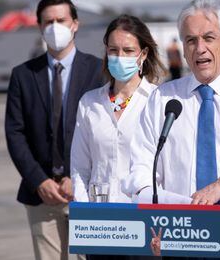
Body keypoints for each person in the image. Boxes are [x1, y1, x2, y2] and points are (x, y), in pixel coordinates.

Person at [123, 0, 220, 260]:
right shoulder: (163, 99)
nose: (200, 48)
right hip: (180, 232)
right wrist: (158, 206)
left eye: (209, 37)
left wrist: (219, 187)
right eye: (191, 40)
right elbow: (141, 164)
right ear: (183, 47)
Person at [5, 0, 103, 260]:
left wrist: (79, 176)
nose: (55, 27)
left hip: (84, 191)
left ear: (75, 24)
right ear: (39, 27)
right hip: (41, 195)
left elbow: (105, 132)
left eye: (61, 20)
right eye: (48, 22)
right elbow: (15, 133)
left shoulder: (98, 71)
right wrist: (39, 180)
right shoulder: (23, 75)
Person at [71, 14, 167, 259]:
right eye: (114, 50)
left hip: (144, 224)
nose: (120, 57)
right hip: (101, 224)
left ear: (143, 54)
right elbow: (80, 168)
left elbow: (167, 168)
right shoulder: (89, 102)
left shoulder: (159, 101)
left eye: (128, 50)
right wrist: (84, 217)